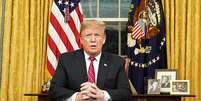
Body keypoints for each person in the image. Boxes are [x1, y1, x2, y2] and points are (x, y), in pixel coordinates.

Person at [48, 20, 132, 101]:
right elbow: (54, 90)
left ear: (104, 39)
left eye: (97, 35)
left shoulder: (117, 62)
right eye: (88, 35)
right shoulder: (66, 60)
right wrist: (76, 97)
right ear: (81, 39)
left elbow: (126, 93)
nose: (93, 40)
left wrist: (103, 95)